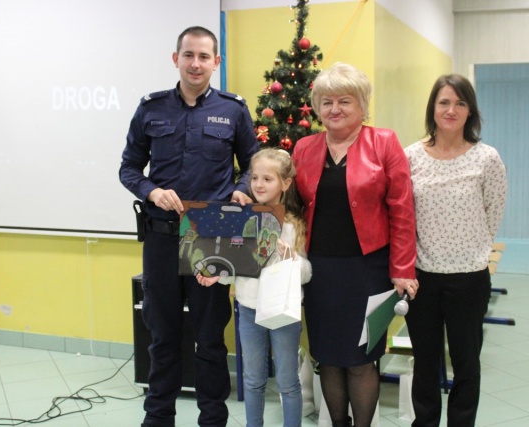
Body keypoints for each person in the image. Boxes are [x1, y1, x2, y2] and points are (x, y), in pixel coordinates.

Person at [119, 26, 259, 427]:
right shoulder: (151, 108)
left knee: (210, 339)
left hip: (210, 238)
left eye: (203, 57)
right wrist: (151, 190)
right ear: (175, 58)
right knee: (162, 338)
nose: (195, 64)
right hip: (161, 239)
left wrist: (242, 190)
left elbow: (252, 164)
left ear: (216, 62)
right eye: (188, 55)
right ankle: (158, 418)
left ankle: (212, 420)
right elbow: (129, 168)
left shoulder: (233, 110)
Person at [291, 62, 418, 427]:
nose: (335, 109)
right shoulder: (304, 148)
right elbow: (291, 207)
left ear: (362, 105)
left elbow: (402, 210)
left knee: (362, 360)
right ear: (317, 107)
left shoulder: (384, 142)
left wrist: (403, 269)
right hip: (320, 273)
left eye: (344, 101)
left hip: (368, 271)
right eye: (327, 102)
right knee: (328, 358)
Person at [404, 74, 507, 427]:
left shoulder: (487, 158)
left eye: (460, 103)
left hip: (469, 278)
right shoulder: (410, 156)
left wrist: (470, 249)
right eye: (444, 102)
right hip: (422, 278)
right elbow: (402, 215)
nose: (451, 110)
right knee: (425, 361)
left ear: (470, 111)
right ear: (432, 108)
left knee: (466, 363)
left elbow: (493, 212)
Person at [198, 148, 312, 427]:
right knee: (252, 379)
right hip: (248, 309)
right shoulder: (241, 219)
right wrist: (218, 275)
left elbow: (307, 273)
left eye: (268, 179)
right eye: (255, 178)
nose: (259, 185)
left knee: (287, 381)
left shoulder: (294, 224)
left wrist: (290, 258)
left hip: (283, 312)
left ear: (285, 183)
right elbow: (236, 266)